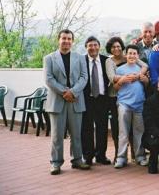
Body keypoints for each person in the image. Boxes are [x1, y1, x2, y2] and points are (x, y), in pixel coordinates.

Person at [44, 29, 90, 175]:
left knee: (76, 134)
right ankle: (55, 163)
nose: (66, 41)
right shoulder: (49, 58)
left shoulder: (80, 58)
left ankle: (77, 160)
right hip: (57, 101)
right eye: (64, 38)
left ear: (72, 41)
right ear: (59, 40)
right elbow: (49, 79)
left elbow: (84, 77)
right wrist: (65, 92)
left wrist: (73, 92)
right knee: (57, 135)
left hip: (76, 100)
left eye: (69, 39)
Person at [105, 37, 148, 162]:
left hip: (139, 104)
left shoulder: (140, 69)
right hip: (124, 104)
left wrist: (141, 76)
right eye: (130, 53)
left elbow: (145, 82)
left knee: (139, 132)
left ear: (137, 55)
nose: (132, 56)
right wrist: (123, 79)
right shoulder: (119, 69)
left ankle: (140, 156)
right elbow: (115, 85)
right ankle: (121, 157)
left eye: (134, 54)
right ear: (126, 54)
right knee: (123, 132)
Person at [81, 36, 111, 165]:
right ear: (86, 47)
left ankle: (101, 155)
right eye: (90, 45)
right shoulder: (81, 61)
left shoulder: (106, 61)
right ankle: (87, 156)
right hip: (87, 99)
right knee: (86, 128)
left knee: (102, 128)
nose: (92, 48)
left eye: (95, 45)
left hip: (102, 99)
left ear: (99, 46)